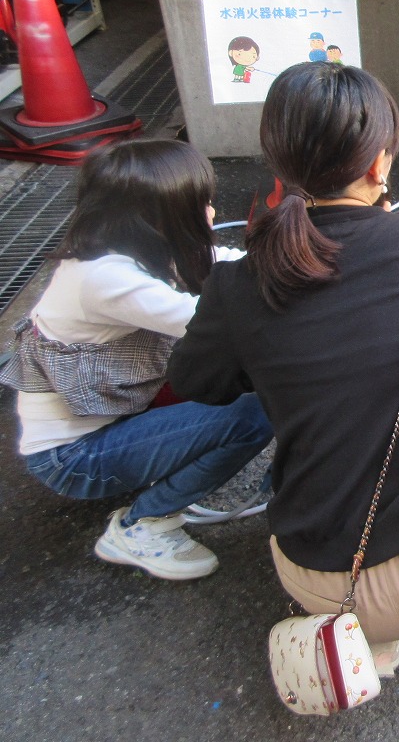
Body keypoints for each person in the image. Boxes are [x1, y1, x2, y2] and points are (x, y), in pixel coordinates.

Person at [168, 62, 399, 676]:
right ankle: (388, 626)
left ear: (280, 162)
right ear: (380, 164)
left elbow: (199, 380)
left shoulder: (237, 280)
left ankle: (368, 633)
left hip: (315, 583)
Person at [0, 139, 273, 581]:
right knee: (255, 411)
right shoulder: (107, 279)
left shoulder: (127, 249)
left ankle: (151, 462)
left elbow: (225, 268)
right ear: (159, 217)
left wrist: (289, 264)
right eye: (200, 203)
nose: (210, 212)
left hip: (108, 416)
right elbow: (221, 323)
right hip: (72, 458)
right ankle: (142, 526)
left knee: (215, 378)